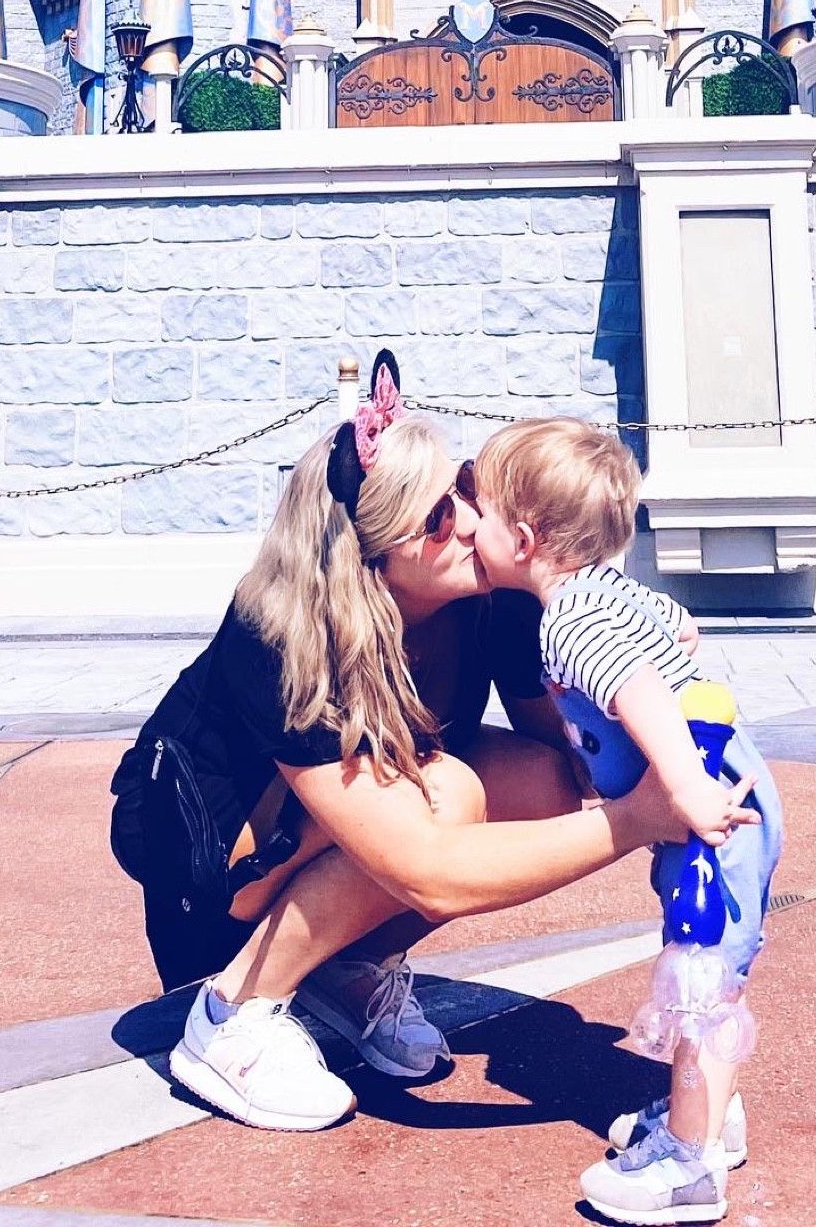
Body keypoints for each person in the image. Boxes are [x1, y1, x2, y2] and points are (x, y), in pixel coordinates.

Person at [109, 352, 755, 1133]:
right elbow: (429, 873)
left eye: (463, 487)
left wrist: (636, 647)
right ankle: (232, 1015)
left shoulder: (490, 598)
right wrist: (638, 820)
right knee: (447, 792)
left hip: (346, 823)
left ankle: (348, 971)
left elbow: (575, 749)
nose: (472, 519)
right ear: (370, 550)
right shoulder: (285, 634)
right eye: (439, 515)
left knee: (544, 783)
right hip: (213, 867)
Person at [470, 417, 784, 1227]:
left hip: (707, 810)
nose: (471, 525)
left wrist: (682, 791)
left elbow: (638, 688)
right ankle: (710, 1120)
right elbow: (678, 624)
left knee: (701, 981)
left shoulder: (569, 620)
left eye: (485, 511)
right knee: (710, 969)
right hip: (730, 797)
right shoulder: (605, 591)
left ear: (526, 537)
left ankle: (687, 1168)